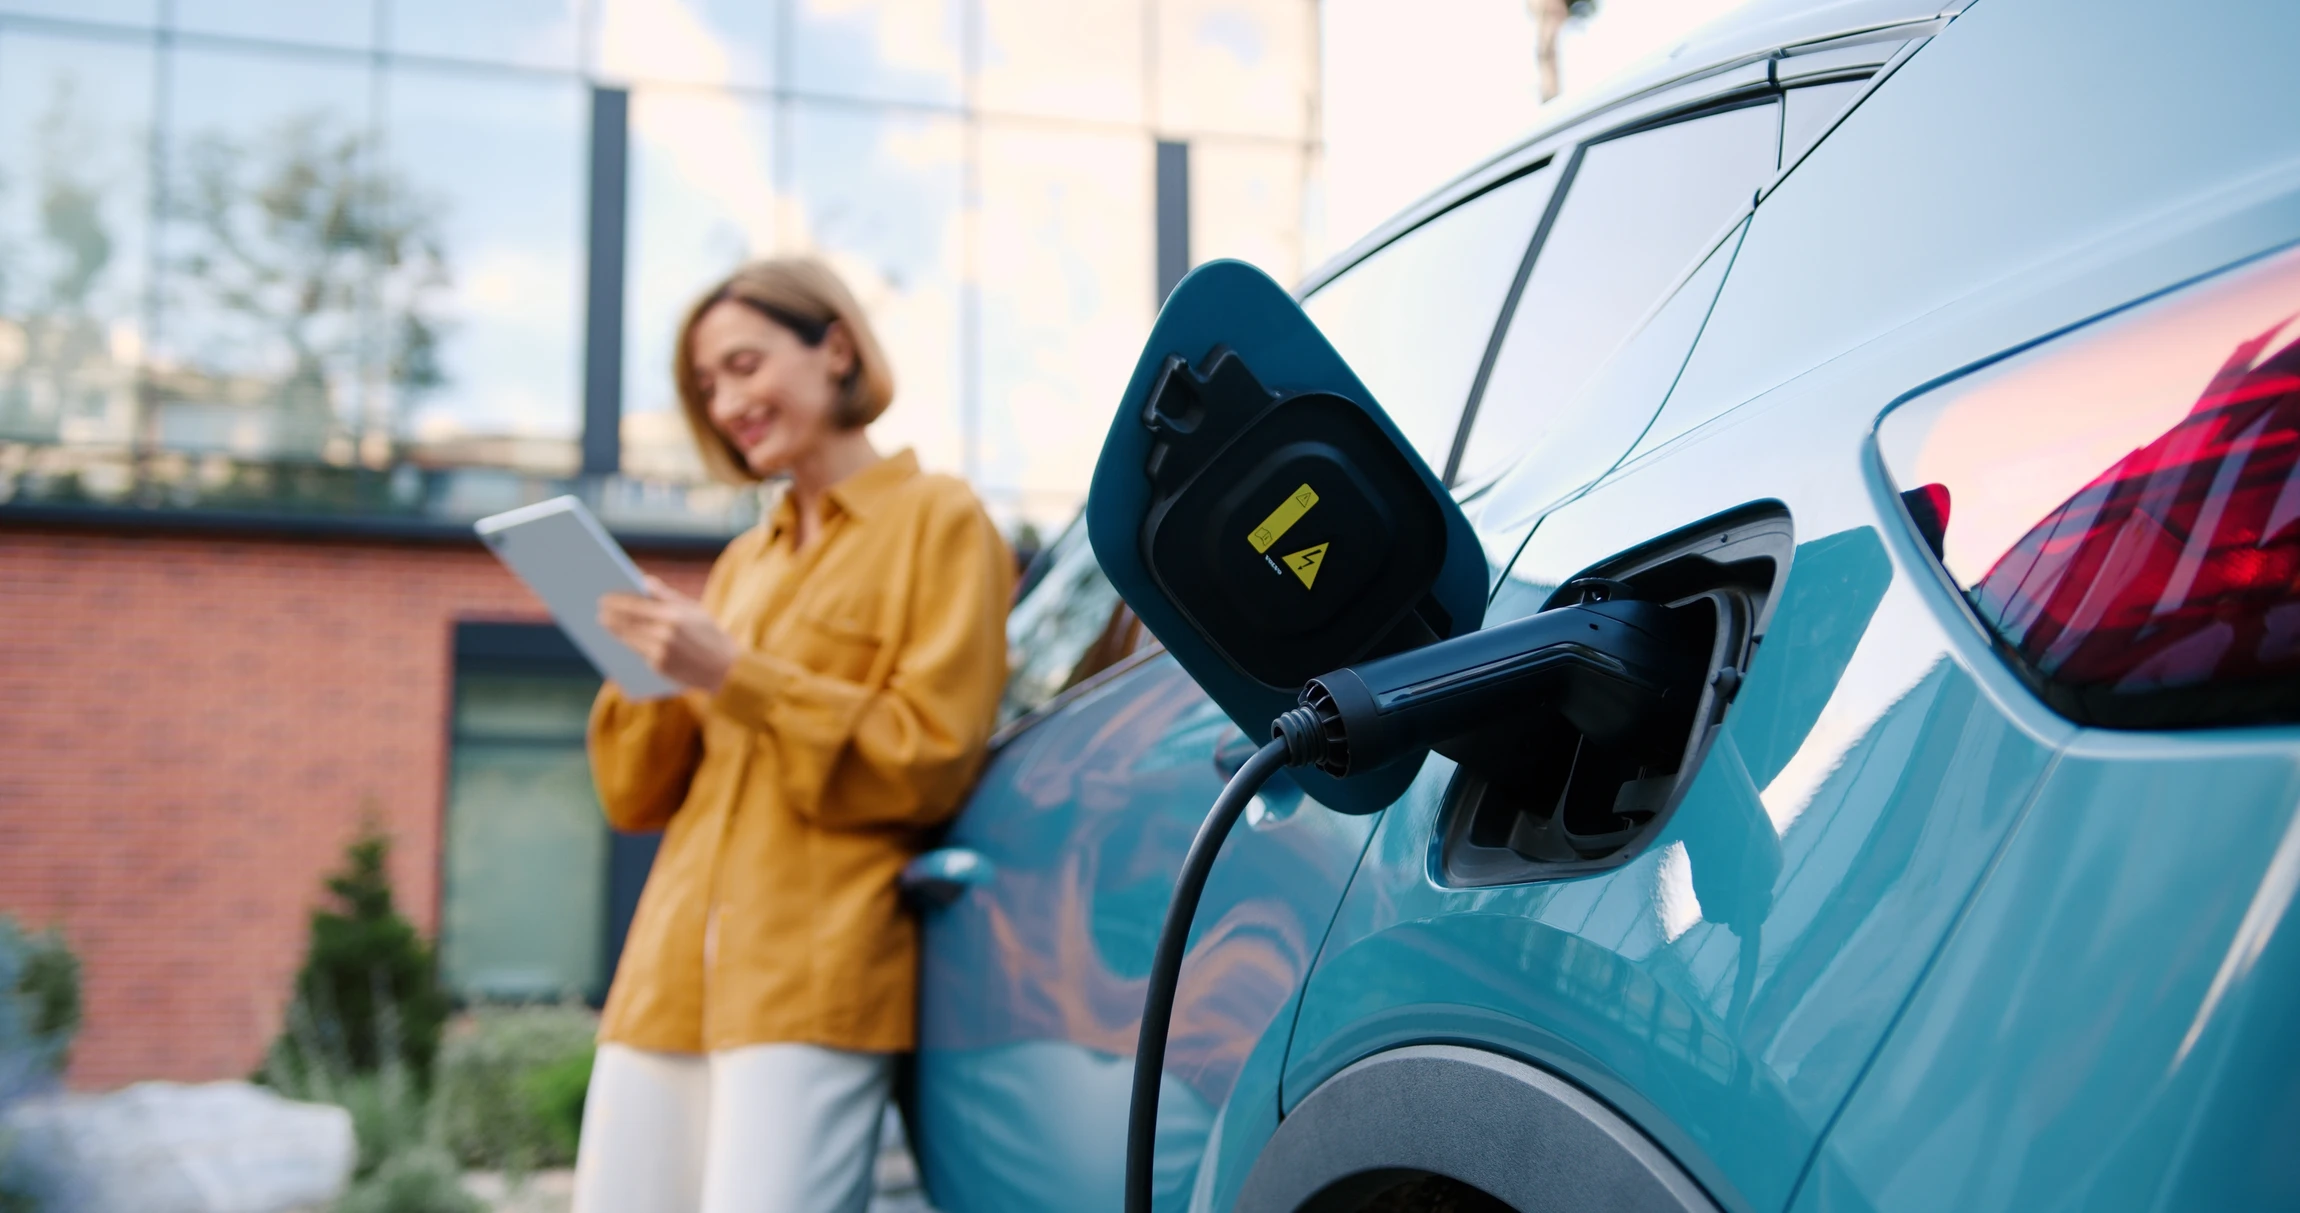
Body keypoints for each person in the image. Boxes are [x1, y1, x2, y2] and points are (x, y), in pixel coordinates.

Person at [571, 257, 1013, 1213]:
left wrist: (733, 672)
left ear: (836, 349)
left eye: (744, 365)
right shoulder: (743, 564)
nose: (727, 402)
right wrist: (650, 666)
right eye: (707, 385)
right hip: (665, 978)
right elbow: (635, 796)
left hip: (813, 978)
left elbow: (930, 760)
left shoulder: (943, 521)